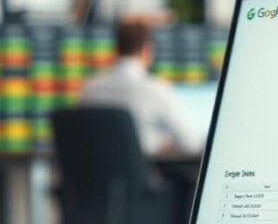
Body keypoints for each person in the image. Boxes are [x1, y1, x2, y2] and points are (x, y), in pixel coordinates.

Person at [79, 22, 203, 155]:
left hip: (94, 174)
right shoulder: (156, 89)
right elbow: (192, 143)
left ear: (116, 48)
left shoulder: (90, 88)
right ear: (146, 49)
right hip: (147, 172)